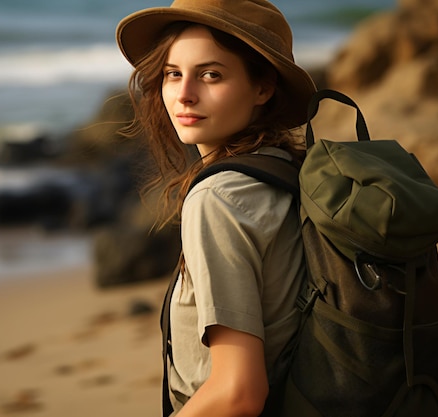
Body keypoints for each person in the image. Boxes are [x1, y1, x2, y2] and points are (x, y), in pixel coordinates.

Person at [116, 1, 316, 416]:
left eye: (211, 74)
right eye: (173, 74)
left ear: (263, 87)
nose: (184, 95)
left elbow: (237, 391)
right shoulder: (291, 170)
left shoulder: (219, 199)